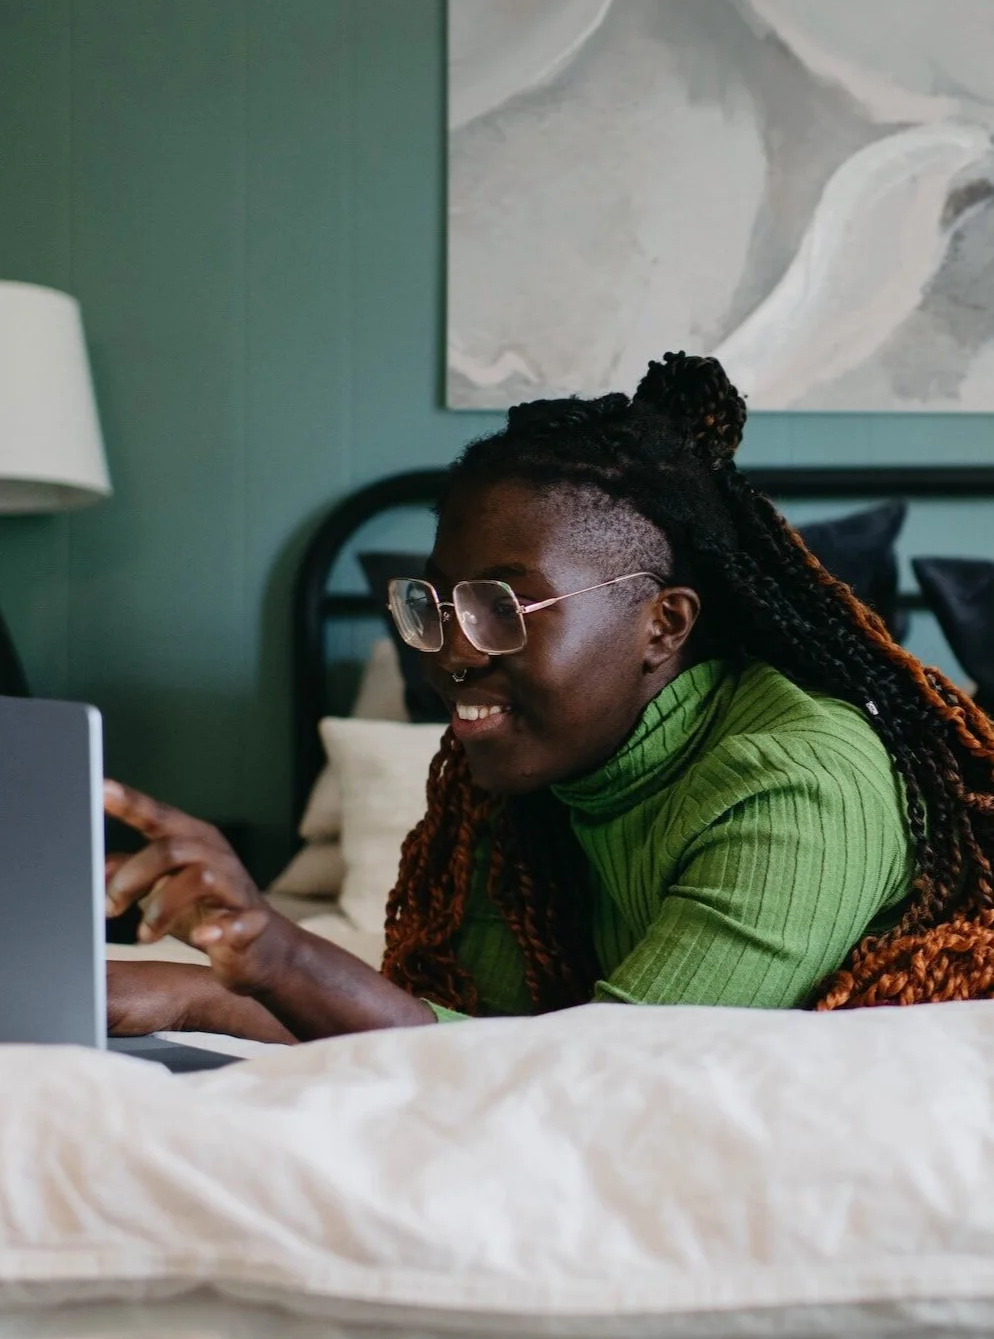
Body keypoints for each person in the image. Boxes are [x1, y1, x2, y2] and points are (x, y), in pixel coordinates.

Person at [105, 353, 994, 1043]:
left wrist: (264, 958)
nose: (449, 652)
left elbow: (600, 1077)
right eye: (434, 603)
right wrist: (203, 989)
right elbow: (476, 1044)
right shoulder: (526, 770)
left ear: (663, 625)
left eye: (502, 606)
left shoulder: (798, 787)